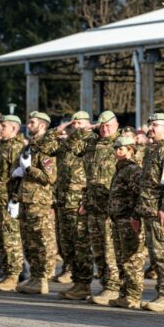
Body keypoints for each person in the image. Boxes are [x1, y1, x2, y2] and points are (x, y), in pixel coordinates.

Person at [59, 110, 121, 302]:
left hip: (111, 206)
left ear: (116, 124)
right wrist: (83, 130)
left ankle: (113, 287)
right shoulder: (92, 143)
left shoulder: (122, 145)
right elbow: (69, 146)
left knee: (110, 249)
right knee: (98, 249)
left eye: (108, 125)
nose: (105, 129)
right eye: (101, 126)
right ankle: (99, 285)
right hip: (93, 203)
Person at [135, 112, 164, 312]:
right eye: (150, 125)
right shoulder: (153, 150)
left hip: (161, 212)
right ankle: (162, 293)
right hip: (148, 210)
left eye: (155, 126)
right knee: (156, 255)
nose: (150, 128)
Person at [12, 111, 58, 295]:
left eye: (32, 122)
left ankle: (42, 279)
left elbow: (50, 177)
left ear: (43, 125)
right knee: (29, 241)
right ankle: (35, 276)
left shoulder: (46, 149)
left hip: (39, 201)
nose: (28, 125)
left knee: (41, 240)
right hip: (26, 199)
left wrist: (30, 169)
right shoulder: (30, 147)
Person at [53, 112, 94, 300]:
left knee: (81, 245)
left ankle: (84, 284)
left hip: (79, 201)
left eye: (80, 123)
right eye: (74, 123)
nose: (75, 127)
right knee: (67, 245)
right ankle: (77, 282)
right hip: (63, 201)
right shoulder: (67, 142)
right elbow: (43, 146)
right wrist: (59, 129)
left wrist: (86, 201)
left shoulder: (91, 141)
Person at [105, 136, 145, 308]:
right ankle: (124, 293)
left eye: (121, 148)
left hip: (128, 219)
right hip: (118, 219)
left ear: (131, 150)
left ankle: (134, 295)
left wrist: (135, 216)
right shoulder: (120, 169)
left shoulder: (132, 170)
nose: (117, 151)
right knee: (121, 258)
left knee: (131, 259)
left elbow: (139, 194)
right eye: (116, 148)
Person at [0, 115, 27, 292]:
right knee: (1, 239)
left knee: (11, 238)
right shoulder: (2, 147)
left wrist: (15, 199)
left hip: (8, 199)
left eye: (4, 126)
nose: (0, 129)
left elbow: (20, 177)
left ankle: (14, 275)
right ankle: (6, 273)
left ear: (14, 128)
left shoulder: (16, 147)